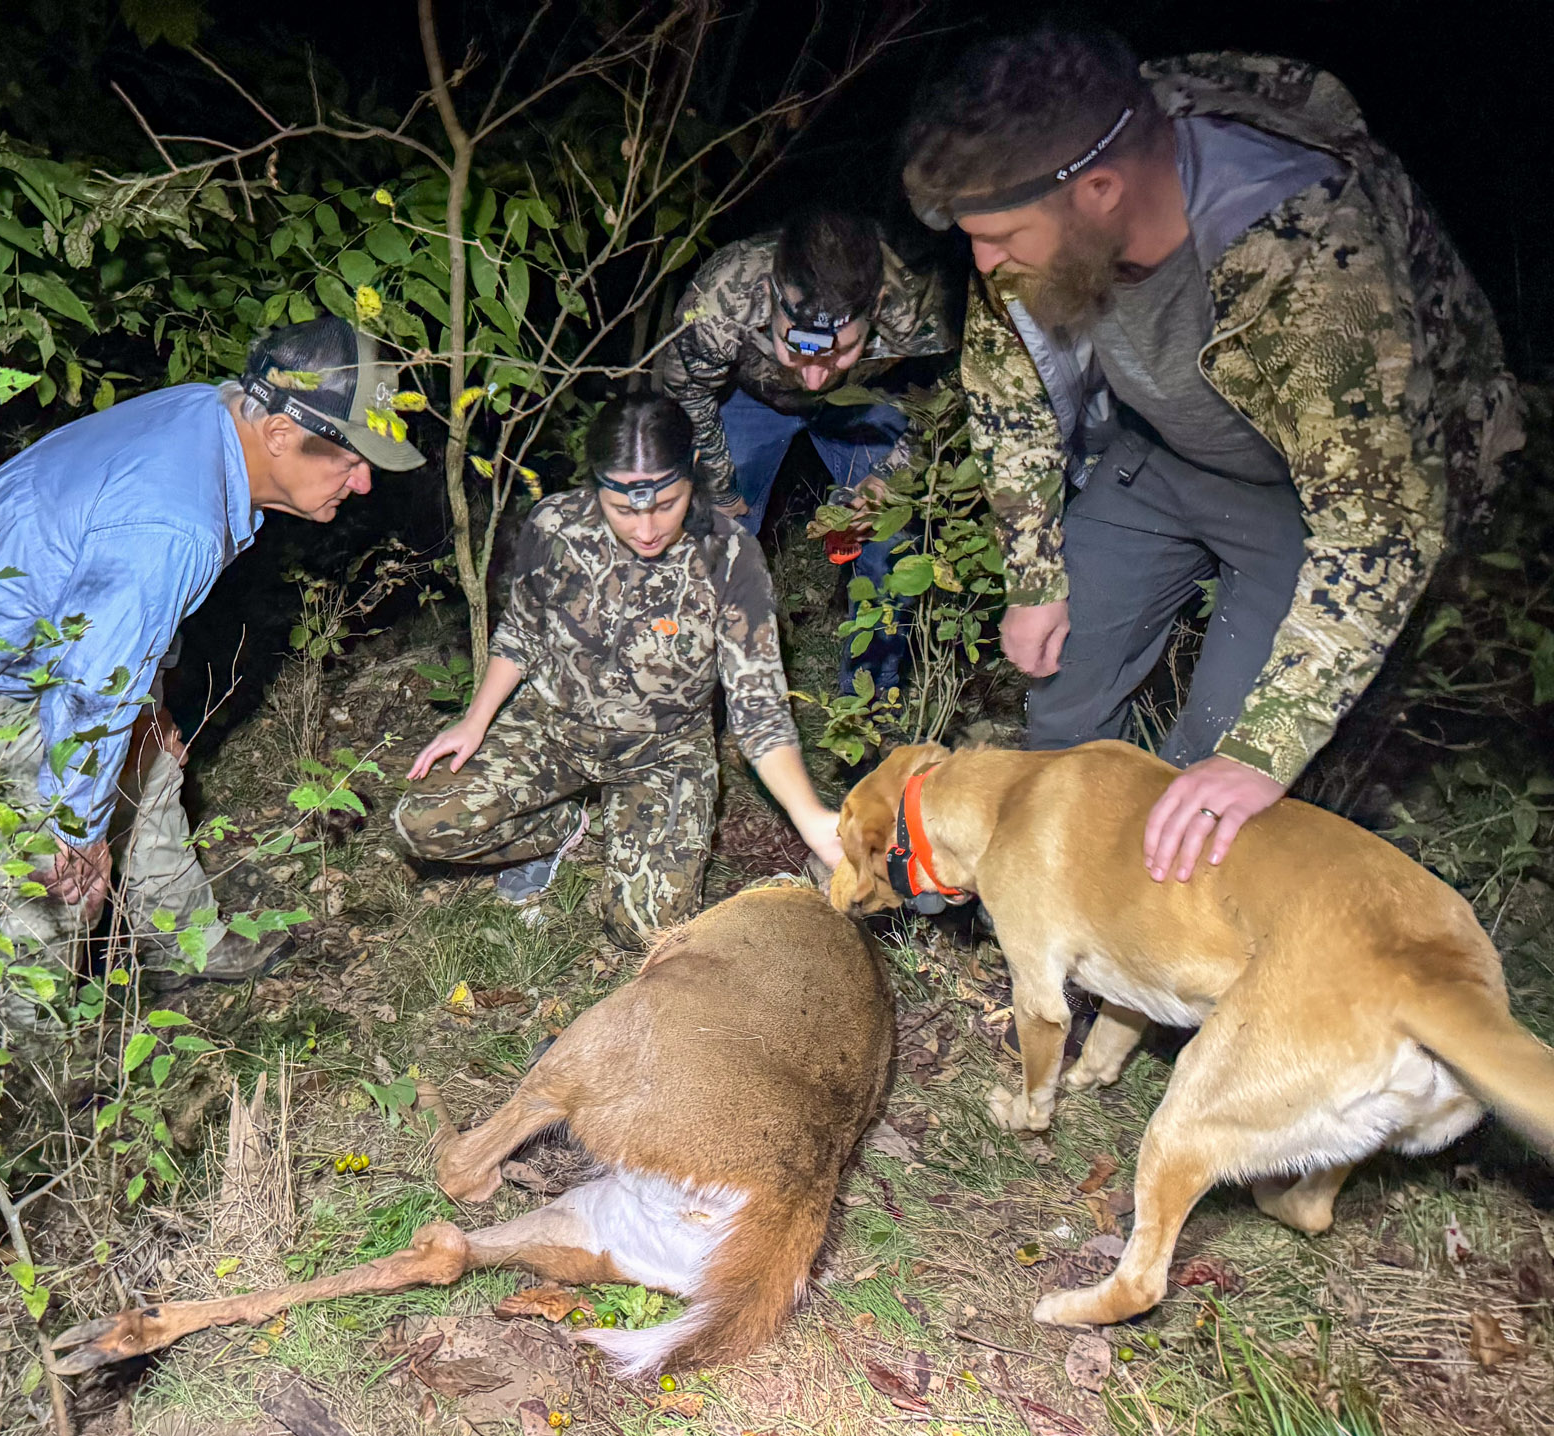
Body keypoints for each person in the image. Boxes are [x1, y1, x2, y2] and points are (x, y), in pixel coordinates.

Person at [900, 31, 1519, 883]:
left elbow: (1381, 521)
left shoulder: (1312, 259)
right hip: (1158, 454)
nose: (983, 261)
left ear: (1101, 191)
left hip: (1303, 504)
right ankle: (1055, 898)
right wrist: (1036, 579)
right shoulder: (1042, 203)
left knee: (1210, 778)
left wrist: (1263, 750)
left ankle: (1148, 956)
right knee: (1062, 692)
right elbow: (1011, 396)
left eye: (1001, 235)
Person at [0, 317, 423, 1022]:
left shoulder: (210, 414)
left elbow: (116, 613)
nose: (364, 482)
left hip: (35, 646)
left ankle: (190, 948)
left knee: (148, 771)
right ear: (280, 434)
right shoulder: (174, 520)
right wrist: (78, 832)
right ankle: (41, 1071)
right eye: (350, 456)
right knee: (51, 878)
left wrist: (148, 708)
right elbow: (93, 682)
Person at [394, 393, 845, 950]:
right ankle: (559, 829)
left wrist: (809, 817)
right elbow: (524, 629)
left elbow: (759, 709)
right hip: (552, 726)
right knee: (422, 823)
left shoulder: (730, 556)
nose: (648, 528)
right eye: (625, 511)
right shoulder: (555, 525)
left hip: (663, 749)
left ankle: (630, 835)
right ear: (597, 489)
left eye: (667, 503)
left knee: (648, 932)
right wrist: (474, 720)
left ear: (694, 476)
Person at [655, 206, 956, 695]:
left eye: (840, 349)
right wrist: (720, 482)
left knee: (890, 536)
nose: (815, 373)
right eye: (796, 347)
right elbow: (687, 393)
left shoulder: (916, 305)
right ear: (772, 299)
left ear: (876, 307)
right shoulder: (720, 299)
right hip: (754, 398)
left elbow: (958, 387)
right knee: (710, 532)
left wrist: (895, 474)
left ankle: (869, 706)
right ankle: (695, 694)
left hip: (863, 401)